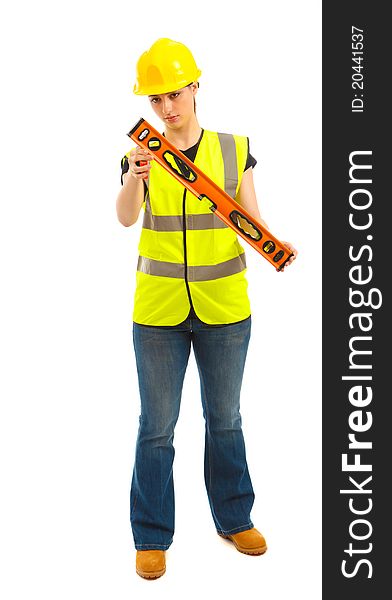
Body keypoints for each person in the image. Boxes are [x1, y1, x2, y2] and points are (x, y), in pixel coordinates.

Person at [116, 38, 298, 580]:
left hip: (224, 308)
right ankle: (151, 536)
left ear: (195, 87)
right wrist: (133, 178)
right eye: (156, 99)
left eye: (174, 93)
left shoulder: (233, 147)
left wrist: (275, 246)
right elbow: (126, 219)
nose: (167, 107)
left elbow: (251, 218)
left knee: (225, 421)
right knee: (157, 426)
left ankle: (235, 518)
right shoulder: (140, 152)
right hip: (158, 313)